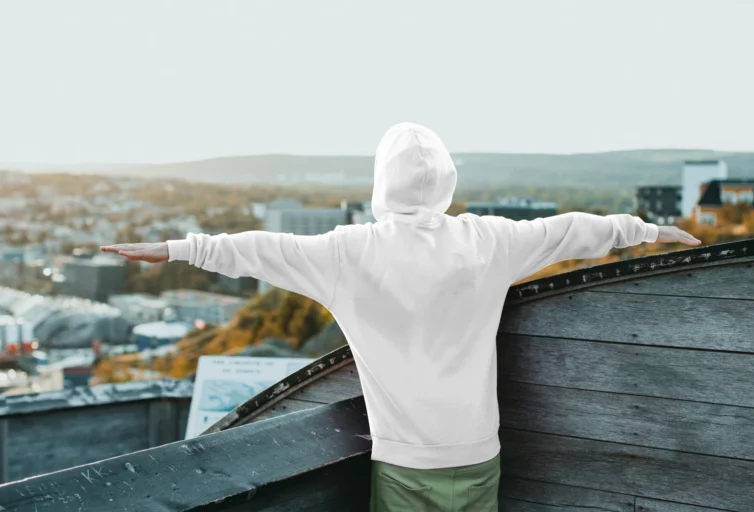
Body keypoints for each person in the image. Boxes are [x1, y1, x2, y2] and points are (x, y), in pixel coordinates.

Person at [102, 122, 700, 511]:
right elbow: (571, 230)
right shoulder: (487, 241)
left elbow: (254, 250)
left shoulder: (346, 252)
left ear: (381, 183)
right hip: (479, 455)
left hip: (405, 463)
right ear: (447, 182)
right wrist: (647, 230)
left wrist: (178, 249)